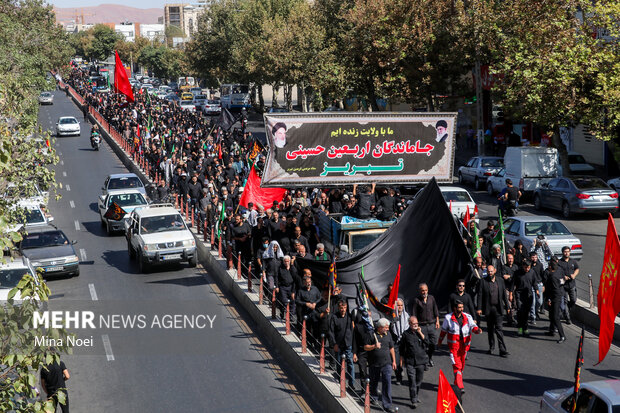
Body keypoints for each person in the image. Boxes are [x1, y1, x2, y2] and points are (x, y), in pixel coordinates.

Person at [438, 300, 481, 394]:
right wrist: (440, 342)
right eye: (459, 307)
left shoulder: (467, 317)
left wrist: (477, 330)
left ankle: (456, 383)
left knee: (461, 366)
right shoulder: (448, 318)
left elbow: (473, 327)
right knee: (457, 366)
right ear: (454, 308)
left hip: (464, 346)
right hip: (454, 347)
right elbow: (443, 331)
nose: (461, 309)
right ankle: (460, 386)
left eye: (462, 307)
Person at [365, 318, 398, 413]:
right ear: (380, 327)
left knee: (387, 383)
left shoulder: (388, 335)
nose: (387, 329)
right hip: (374, 364)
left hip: (386, 363)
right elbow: (365, 347)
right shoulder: (371, 335)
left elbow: (391, 348)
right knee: (374, 382)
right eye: (385, 327)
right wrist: (374, 346)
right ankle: (374, 397)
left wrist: (394, 361)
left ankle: (387, 404)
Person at [477, 265, 509, 357]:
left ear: (495, 271)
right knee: (490, 329)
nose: (490, 273)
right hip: (488, 309)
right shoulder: (483, 281)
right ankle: (491, 347)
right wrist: (479, 308)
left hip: (498, 309)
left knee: (499, 329)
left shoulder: (500, 281)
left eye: (491, 271)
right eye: (488, 272)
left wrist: (507, 308)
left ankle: (502, 350)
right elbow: (480, 295)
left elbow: (504, 296)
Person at [399, 315, 429, 409]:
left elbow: (428, 343)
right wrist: (401, 358)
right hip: (410, 361)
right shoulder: (405, 334)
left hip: (420, 361)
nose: (416, 325)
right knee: (412, 381)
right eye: (413, 324)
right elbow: (401, 347)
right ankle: (413, 400)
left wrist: (420, 333)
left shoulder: (421, 331)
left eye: (417, 323)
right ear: (409, 324)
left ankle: (416, 394)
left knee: (419, 381)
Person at [411, 283, 439, 370]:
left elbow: (435, 310)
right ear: (420, 291)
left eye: (426, 290)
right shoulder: (417, 300)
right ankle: (425, 361)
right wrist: (415, 326)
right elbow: (414, 314)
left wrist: (437, 321)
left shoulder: (431, 298)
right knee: (423, 345)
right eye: (423, 290)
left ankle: (429, 356)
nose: (424, 292)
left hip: (431, 325)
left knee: (433, 343)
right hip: (422, 326)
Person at [329, 299, 355, 389]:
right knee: (339, 364)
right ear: (338, 308)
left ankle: (352, 384)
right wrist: (334, 344)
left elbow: (352, 331)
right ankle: (341, 380)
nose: (343, 309)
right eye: (341, 308)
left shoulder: (350, 317)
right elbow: (331, 332)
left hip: (348, 344)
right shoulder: (334, 317)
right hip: (338, 344)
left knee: (350, 363)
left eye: (344, 307)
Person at [513, 259, 537, 336]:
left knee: (526, 312)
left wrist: (536, 290)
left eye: (528, 267)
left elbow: (534, 282)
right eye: (525, 267)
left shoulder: (532, 272)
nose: (527, 269)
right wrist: (510, 293)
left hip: (528, 295)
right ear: (523, 266)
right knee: (520, 311)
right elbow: (513, 283)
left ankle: (525, 328)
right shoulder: (517, 273)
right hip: (519, 294)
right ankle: (520, 328)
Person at [544, 260, 566, 343]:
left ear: (550, 267)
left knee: (556, 317)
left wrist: (549, 299)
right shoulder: (559, 272)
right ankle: (551, 330)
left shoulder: (552, 276)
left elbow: (552, 289)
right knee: (552, 315)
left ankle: (562, 336)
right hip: (557, 296)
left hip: (555, 298)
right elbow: (563, 280)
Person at [558, 246, 579, 325]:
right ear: (562, 252)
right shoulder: (559, 262)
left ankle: (566, 310)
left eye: (568, 251)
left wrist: (574, 275)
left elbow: (577, 269)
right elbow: (557, 272)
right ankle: (567, 318)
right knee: (565, 302)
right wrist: (563, 277)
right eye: (565, 252)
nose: (567, 253)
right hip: (563, 286)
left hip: (572, 285)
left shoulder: (573, 261)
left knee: (573, 300)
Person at [390, 298, 408, 384]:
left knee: (403, 359)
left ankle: (401, 369)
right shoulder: (392, 316)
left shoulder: (407, 316)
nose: (400, 307)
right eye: (398, 305)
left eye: (401, 305)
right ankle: (398, 377)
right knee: (396, 360)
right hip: (395, 341)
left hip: (404, 342)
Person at [275, 255, 299, 320]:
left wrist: (293, 291)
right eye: (285, 261)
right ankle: (282, 314)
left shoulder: (293, 268)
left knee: (292, 302)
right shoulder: (280, 268)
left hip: (291, 287)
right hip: (283, 287)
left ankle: (290, 316)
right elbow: (277, 277)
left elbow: (295, 278)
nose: (286, 263)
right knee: (284, 301)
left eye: (287, 261)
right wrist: (277, 286)